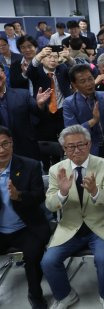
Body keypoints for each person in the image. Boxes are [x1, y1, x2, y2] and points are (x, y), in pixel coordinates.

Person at [42, 125, 104, 309]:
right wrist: (62, 192)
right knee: (48, 261)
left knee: (103, 258)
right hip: (70, 227)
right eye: (71, 147)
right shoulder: (56, 170)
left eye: (81, 145)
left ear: (89, 144)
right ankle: (65, 295)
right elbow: (50, 205)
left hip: (101, 225)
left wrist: (95, 192)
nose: (76, 150)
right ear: (64, 148)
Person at [0, 126, 50, 308]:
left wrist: (18, 196)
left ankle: (35, 295)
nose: (1, 150)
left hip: (26, 227)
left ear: (12, 143)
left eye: (5, 144)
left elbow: (39, 196)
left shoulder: (30, 165)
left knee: (33, 255)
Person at [63, 64, 104, 177]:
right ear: (74, 85)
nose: (89, 84)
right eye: (83, 81)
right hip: (89, 150)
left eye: (90, 79)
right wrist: (93, 120)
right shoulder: (69, 103)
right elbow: (71, 132)